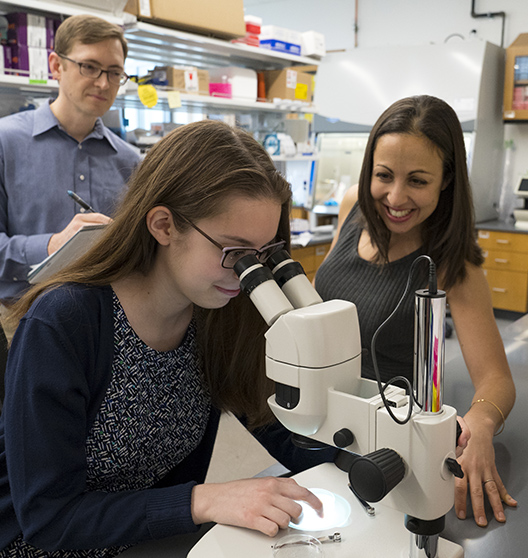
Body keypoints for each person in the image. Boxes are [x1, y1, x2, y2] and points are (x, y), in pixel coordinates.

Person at [0, 119, 336, 556]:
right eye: (234, 253)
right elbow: (49, 518)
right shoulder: (65, 323)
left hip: (144, 542)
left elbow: (273, 423)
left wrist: (371, 451)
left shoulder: (218, 312)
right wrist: (204, 498)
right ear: (163, 226)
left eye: (262, 254)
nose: (249, 274)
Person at [315, 95, 517, 529]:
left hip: (390, 437)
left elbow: (496, 379)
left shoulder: (450, 262)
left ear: (446, 180)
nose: (396, 197)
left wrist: (480, 425)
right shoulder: (353, 205)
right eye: (383, 175)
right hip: (320, 417)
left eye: (418, 181)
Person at [0, 14, 140, 304]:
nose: (103, 83)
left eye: (114, 72)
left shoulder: (129, 160)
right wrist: (53, 245)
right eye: (89, 67)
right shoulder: (5, 142)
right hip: (23, 317)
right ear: (56, 66)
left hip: (105, 318)